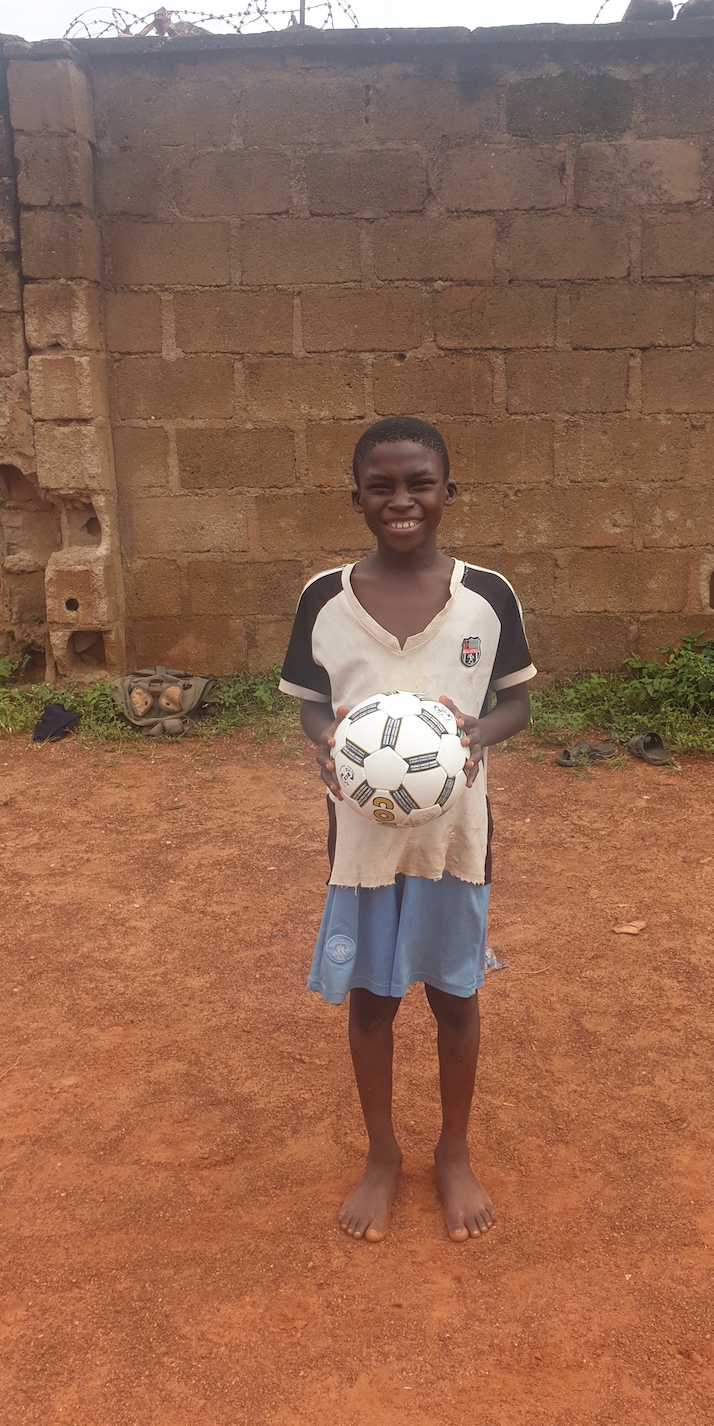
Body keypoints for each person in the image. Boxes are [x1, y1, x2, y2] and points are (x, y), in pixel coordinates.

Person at [279, 416, 535, 1243]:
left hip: (455, 842)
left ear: (447, 491)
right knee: (372, 1005)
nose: (401, 500)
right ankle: (382, 1153)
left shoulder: (487, 596)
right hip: (362, 846)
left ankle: (453, 1149)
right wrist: (328, 739)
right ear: (355, 497)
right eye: (381, 486)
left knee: (456, 999)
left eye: (419, 483)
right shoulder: (324, 599)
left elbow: (517, 704)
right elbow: (311, 705)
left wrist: (476, 734)